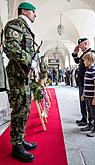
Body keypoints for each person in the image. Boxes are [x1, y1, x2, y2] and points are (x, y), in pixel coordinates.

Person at [3, 2, 38, 162]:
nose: (35, 15)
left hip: (24, 76)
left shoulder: (25, 27)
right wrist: (29, 62)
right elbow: (11, 47)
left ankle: (20, 138)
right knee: (18, 109)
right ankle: (16, 146)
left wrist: (34, 65)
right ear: (24, 11)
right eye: (33, 12)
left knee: (25, 109)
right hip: (17, 76)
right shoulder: (15, 24)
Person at [72, 38, 95, 126]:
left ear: (86, 43)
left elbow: (93, 67)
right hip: (82, 82)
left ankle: (91, 121)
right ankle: (84, 118)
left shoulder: (91, 53)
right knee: (82, 101)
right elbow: (77, 61)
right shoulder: (84, 54)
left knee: (89, 103)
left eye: (81, 44)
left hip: (88, 82)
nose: (79, 46)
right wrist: (75, 53)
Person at [81, 52, 95, 137]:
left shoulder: (94, 70)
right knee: (89, 112)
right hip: (88, 96)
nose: (84, 62)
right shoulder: (88, 70)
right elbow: (85, 84)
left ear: (89, 60)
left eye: (85, 60)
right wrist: (83, 94)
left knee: (94, 113)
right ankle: (90, 125)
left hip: (92, 96)